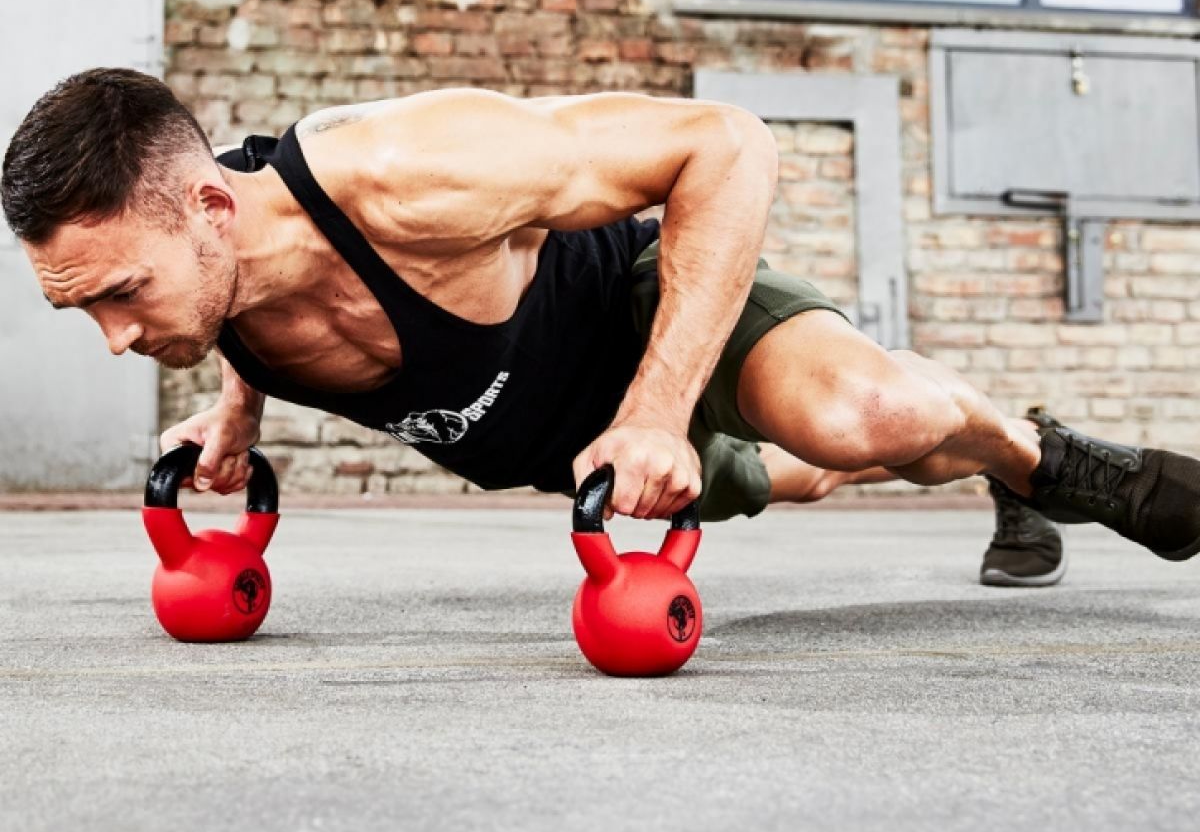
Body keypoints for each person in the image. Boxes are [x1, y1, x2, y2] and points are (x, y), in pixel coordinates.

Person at [3, 69, 1195, 581]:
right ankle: (983, 463)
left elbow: (725, 142)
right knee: (825, 475)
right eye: (84, 306)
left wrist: (660, 409)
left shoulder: (409, 174)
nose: (115, 338)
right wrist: (237, 409)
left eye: (121, 295)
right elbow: (237, 296)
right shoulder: (208, 259)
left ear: (210, 208)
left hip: (640, 312)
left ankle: (1044, 460)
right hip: (562, 442)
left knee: (861, 416)